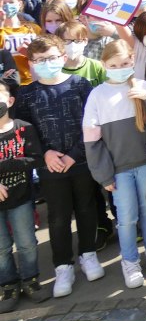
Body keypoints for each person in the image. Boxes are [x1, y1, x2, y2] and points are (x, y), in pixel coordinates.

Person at [15, 35, 102, 297]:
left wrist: (74, 154)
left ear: (62, 58)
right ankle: (63, 265)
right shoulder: (26, 93)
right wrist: (45, 155)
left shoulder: (80, 84)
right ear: (30, 64)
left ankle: (89, 254)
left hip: (81, 160)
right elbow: (23, 132)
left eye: (51, 58)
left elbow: (92, 122)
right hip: (49, 167)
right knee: (58, 216)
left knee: (87, 207)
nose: (46, 63)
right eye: (40, 60)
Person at [82, 40, 146, 289]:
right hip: (118, 170)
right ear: (104, 65)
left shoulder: (143, 87)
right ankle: (130, 261)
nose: (120, 68)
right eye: (114, 65)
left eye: (124, 63)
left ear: (132, 61)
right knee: (127, 217)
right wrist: (103, 174)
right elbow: (91, 140)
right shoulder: (97, 95)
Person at [0, 80, 50, 310]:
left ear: (10, 101)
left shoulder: (23, 127)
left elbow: (36, 158)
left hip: (20, 197)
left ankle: (30, 279)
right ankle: (8, 284)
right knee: (1, 247)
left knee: (27, 242)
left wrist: (7, 165)